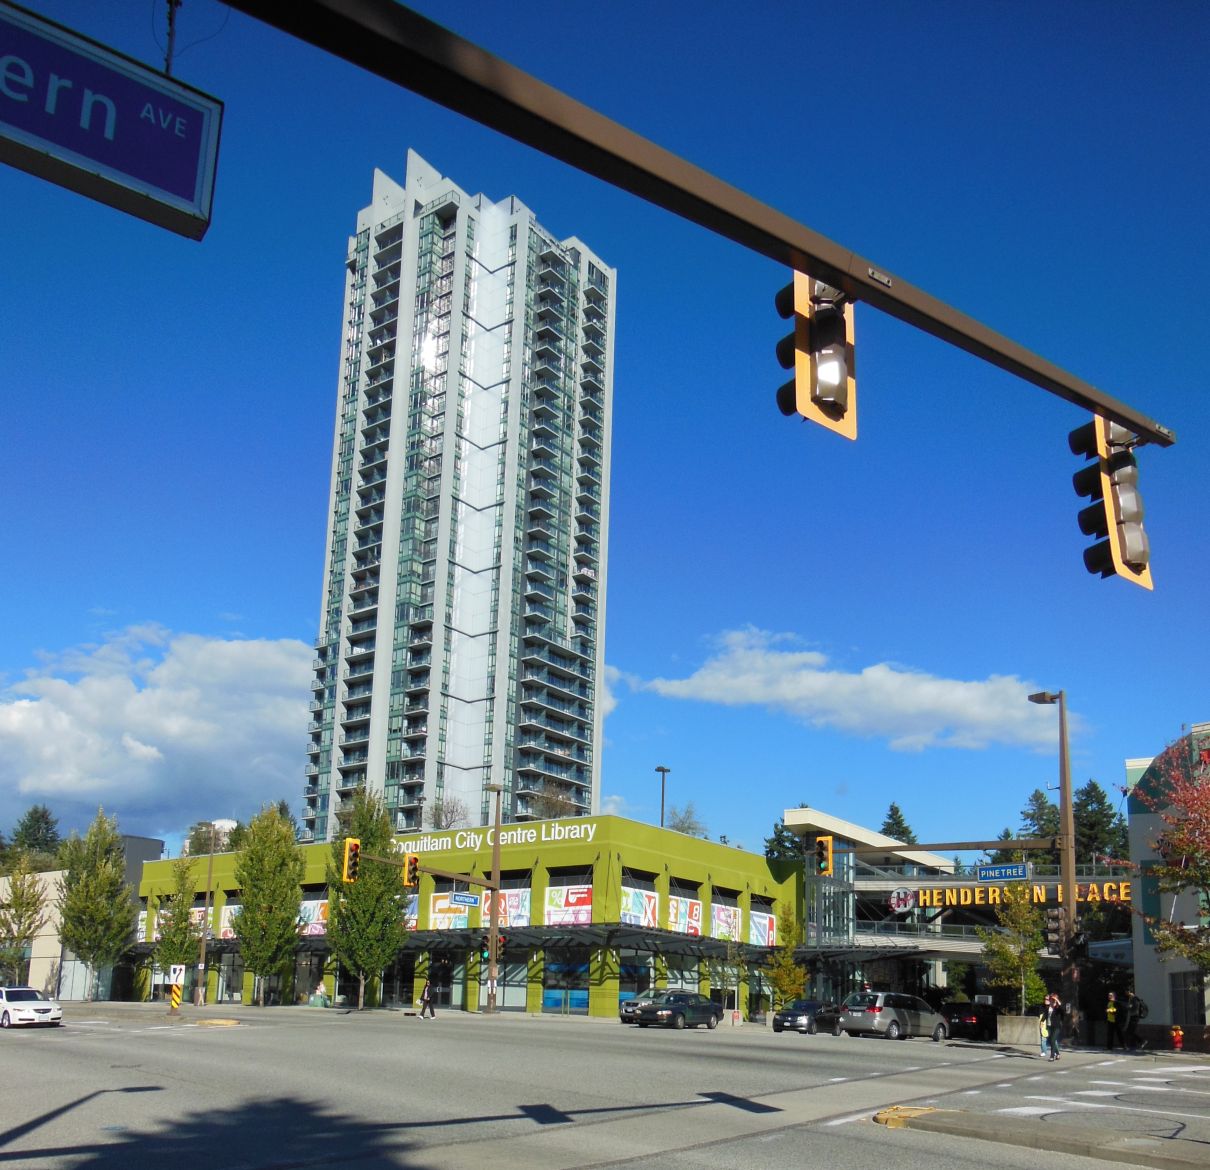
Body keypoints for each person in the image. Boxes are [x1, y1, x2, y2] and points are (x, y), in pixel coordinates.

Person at [1041, 994, 1063, 1061]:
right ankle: (1058, 1053)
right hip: (1049, 1026)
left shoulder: (1057, 1008)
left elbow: (1062, 1008)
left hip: (1057, 1027)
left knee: (1053, 1040)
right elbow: (1045, 1016)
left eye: (1053, 1000)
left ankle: (1052, 1056)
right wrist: (1042, 1022)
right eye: (1051, 1000)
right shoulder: (1048, 1008)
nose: (1052, 1001)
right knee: (1051, 1041)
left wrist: (1056, 999)